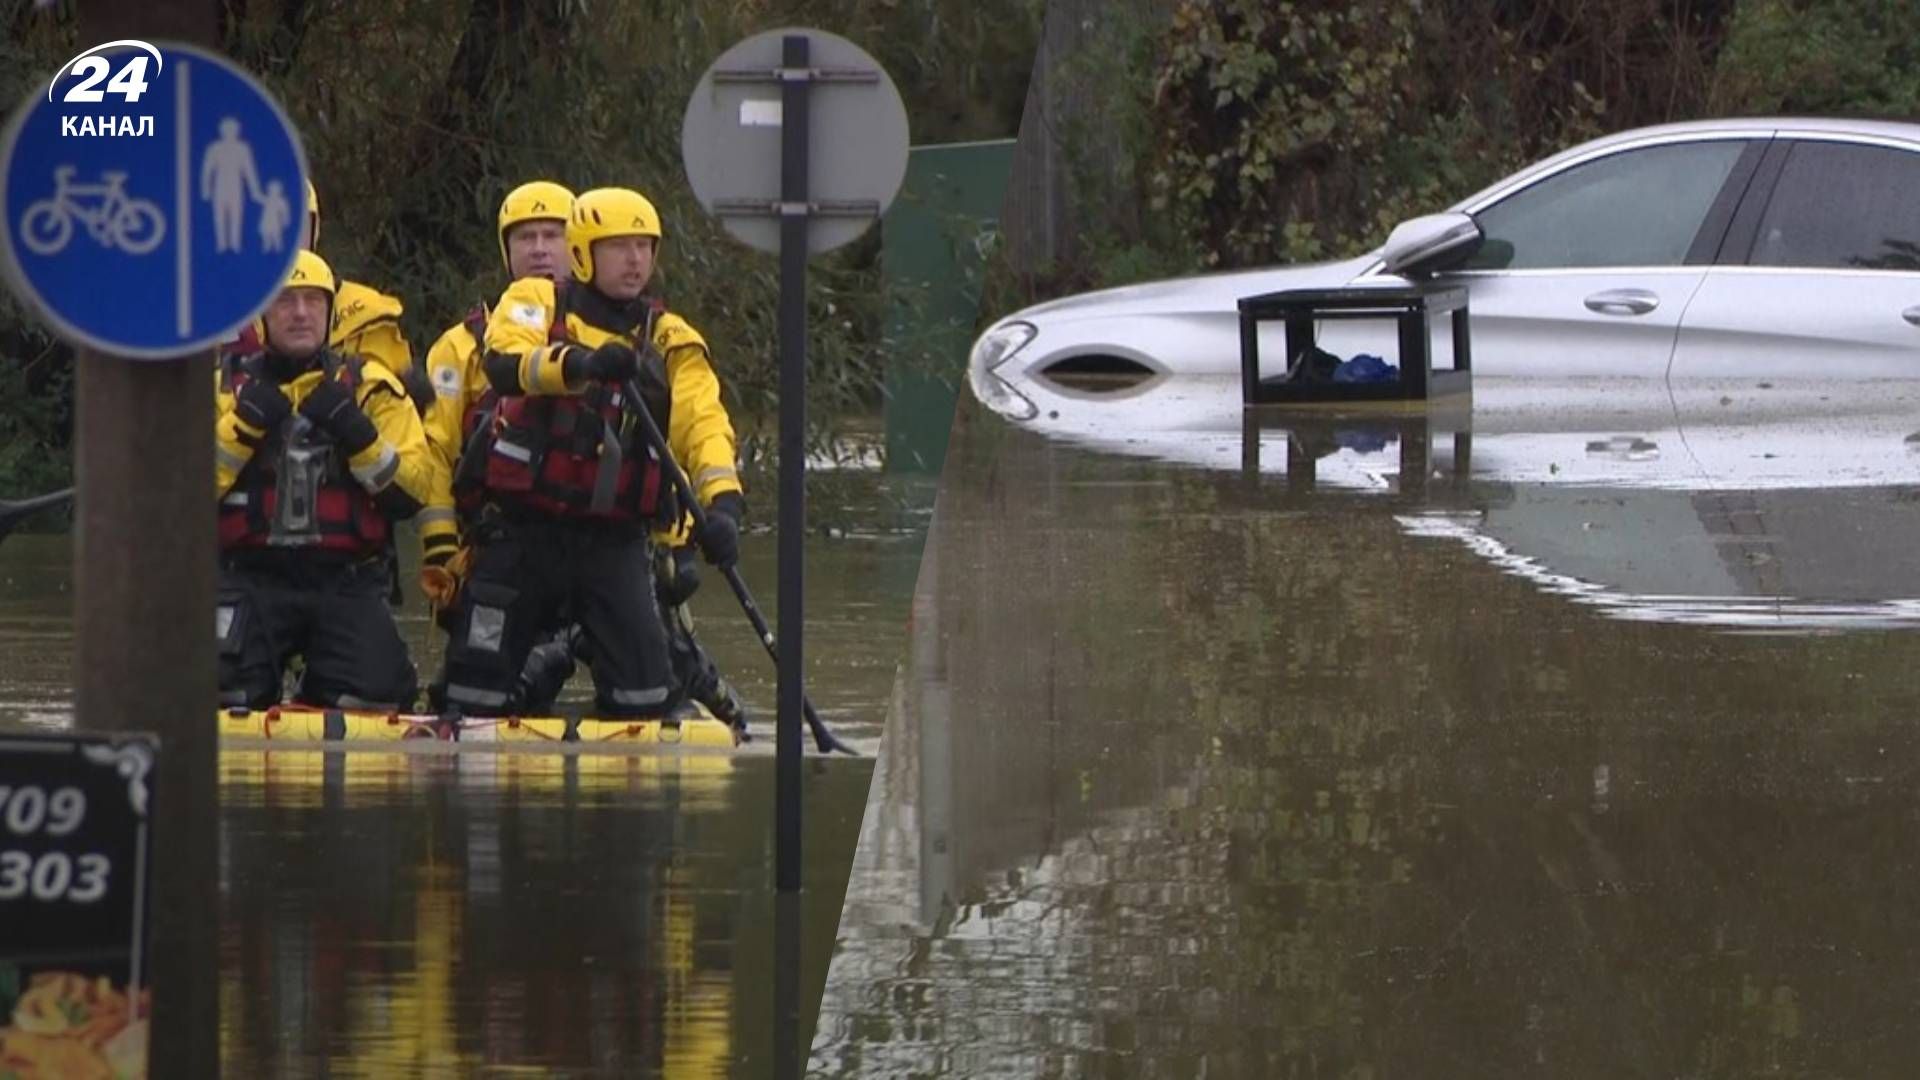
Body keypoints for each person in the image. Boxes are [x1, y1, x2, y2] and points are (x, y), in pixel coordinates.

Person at [417, 181, 750, 726]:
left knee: (643, 700)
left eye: (645, 246)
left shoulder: (669, 338)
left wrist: (723, 506)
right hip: (520, 536)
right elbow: (506, 361)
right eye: (620, 246)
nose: (635, 259)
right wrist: (581, 366)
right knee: (472, 695)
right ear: (585, 252)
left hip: (611, 545)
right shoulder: (533, 302)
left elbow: (705, 425)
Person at [214, 251, 434, 710]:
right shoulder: (222, 388)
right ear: (261, 315)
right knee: (223, 694)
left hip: (343, 580)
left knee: (375, 699)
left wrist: (357, 434)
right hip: (248, 578)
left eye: (313, 301)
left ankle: (318, 692)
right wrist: (241, 430)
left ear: (330, 311)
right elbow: (175, 497)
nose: (300, 313)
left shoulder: (372, 387)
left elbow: (415, 490)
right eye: (286, 302)